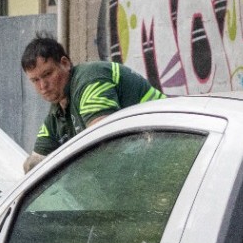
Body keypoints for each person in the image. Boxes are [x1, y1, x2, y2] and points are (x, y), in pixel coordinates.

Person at [22, 36, 164, 172]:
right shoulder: (58, 111)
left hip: (169, 142)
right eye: (35, 80)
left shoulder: (90, 79)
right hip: (152, 153)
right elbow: (34, 165)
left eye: (47, 74)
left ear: (65, 64)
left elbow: (101, 142)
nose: (43, 86)